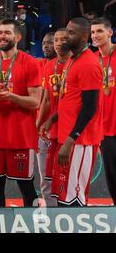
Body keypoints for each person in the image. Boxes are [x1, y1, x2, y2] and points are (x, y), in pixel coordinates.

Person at [0, 19, 42, 207]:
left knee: (27, 189)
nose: (2, 37)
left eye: (6, 33)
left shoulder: (30, 63)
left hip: (20, 138)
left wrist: (11, 96)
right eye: (0, 33)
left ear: (18, 37)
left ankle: (32, 226)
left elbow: (35, 102)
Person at [50, 17, 103, 206]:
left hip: (80, 141)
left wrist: (71, 139)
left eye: (71, 33)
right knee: (64, 196)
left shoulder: (89, 63)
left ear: (84, 37)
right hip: (68, 137)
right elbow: (70, 98)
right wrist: (52, 120)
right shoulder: (73, 59)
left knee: (74, 198)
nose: (65, 37)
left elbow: (90, 107)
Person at [37, 28, 71, 207]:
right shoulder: (48, 66)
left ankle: (69, 216)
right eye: (50, 42)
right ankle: (52, 217)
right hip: (48, 131)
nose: (53, 45)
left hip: (68, 130)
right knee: (46, 179)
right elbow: (46, 99)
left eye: (56, 40)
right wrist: (38, 124)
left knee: (67, 179)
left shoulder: (75, 63)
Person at [90, 17, 116, 204]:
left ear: (110, 32)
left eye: (99, 31)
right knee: (113, 178)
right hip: (104, 130)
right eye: (92, 32)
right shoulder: (91, 60)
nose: (95, 35)